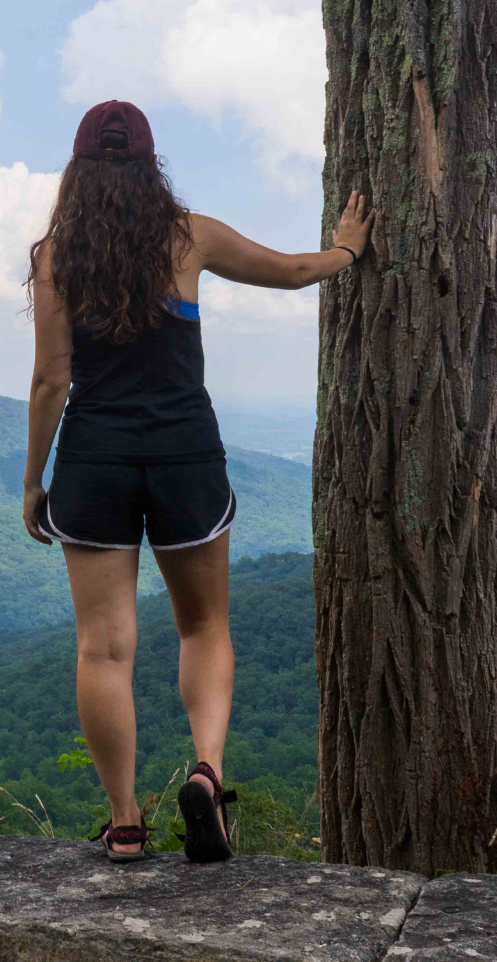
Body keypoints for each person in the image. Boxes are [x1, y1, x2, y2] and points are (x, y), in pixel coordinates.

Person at [21, 100, 375, 863]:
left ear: (77, 169)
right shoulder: (190, 237)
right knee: (203, 626)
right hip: (185, 454)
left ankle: (125, 822)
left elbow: (51, 379)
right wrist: (347, 251)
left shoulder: (55, 257)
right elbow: (291, 272)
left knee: (104, 649)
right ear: (151, 165)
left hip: (94, 461)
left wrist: (32, 481)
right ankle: (207, 774)